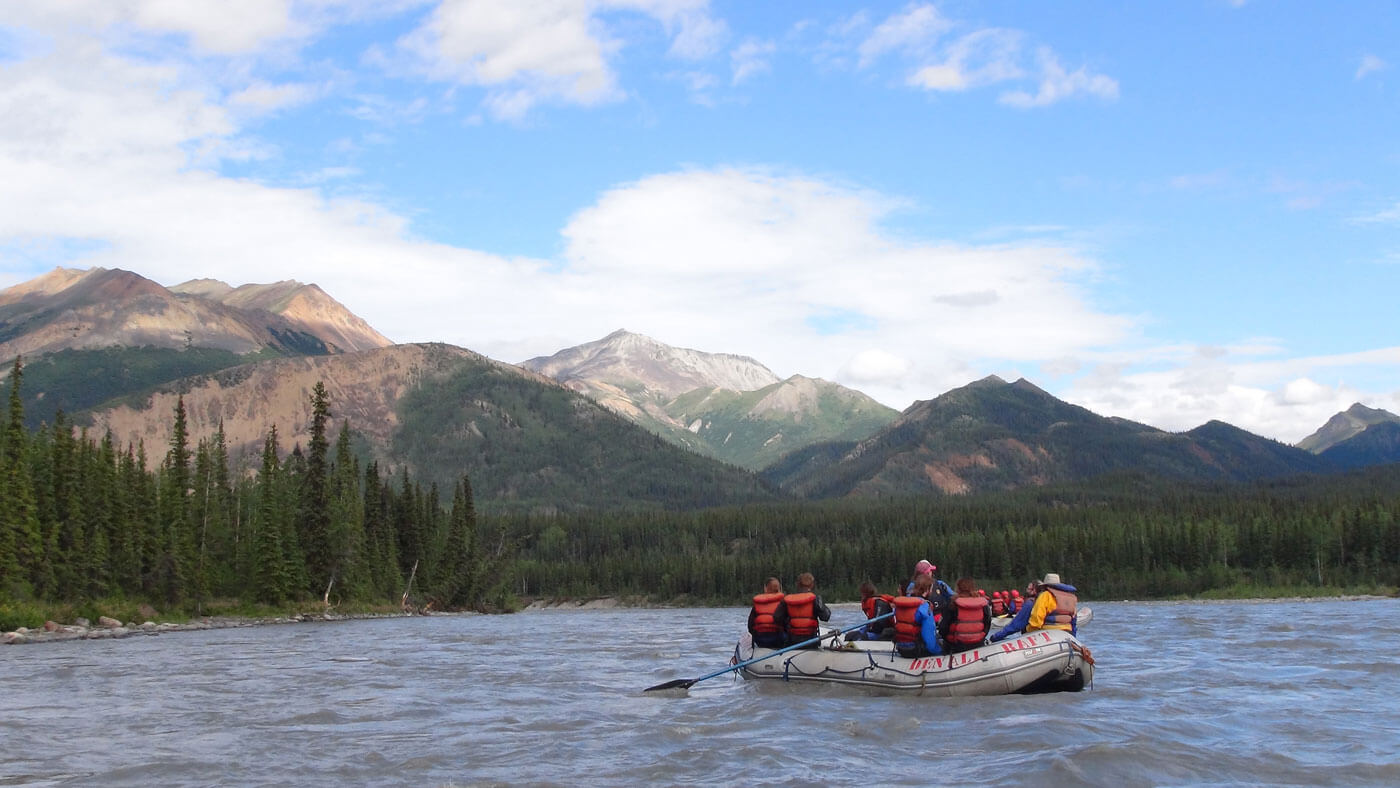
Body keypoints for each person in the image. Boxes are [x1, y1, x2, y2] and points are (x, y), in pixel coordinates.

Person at [989, 573, 1080, 643]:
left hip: (1046, 637)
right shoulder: (1071, 598)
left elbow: (1032, 622)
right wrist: (1073, 639)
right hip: (1067, 636)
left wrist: (996, 637)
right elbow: (1073, 623)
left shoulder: (1043, 597)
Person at [892, 574, 942, 658]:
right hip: (917, 650)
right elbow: (929, 642)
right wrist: (940, 651)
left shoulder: (902, 604)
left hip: (901, 648)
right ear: (928, 589)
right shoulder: (925, 607)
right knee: (941, 644)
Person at [939, 577, 992, 653]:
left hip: (956, 646)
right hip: (978, 643)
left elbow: (943, 628)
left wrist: (947, 639)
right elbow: (987, 624)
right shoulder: (983, 605)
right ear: (973, 588)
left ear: (958, 589)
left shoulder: (952, 604)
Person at [783, 572, 832, 648]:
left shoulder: (787, 600)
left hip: (792, 642)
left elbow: (777, 618)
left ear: (798, 585)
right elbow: (825, 617)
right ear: (812, 585)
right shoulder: (815, 599)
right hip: (811, 641)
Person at [747, 576, 787, 649]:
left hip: (760, 639)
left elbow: (750, 626)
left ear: (765, 588)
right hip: (778, 639)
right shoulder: (783, 603)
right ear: (779, 589)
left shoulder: (757, 604)